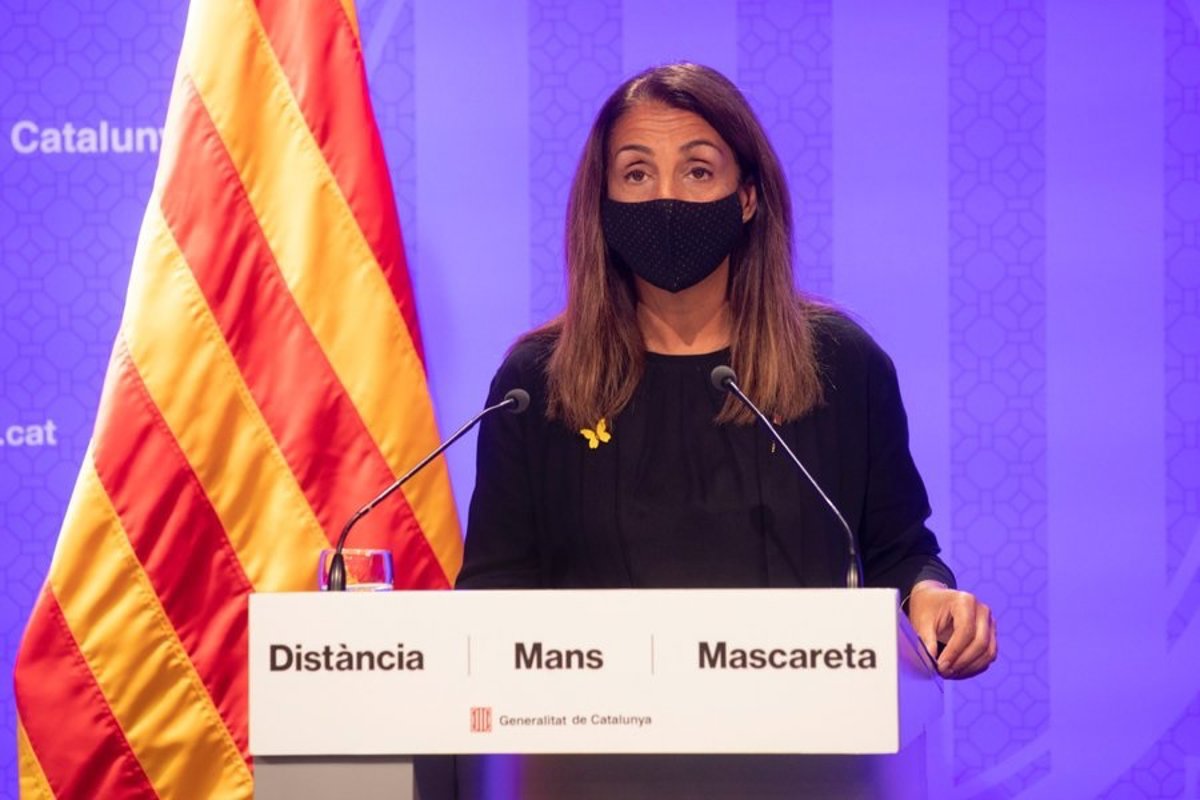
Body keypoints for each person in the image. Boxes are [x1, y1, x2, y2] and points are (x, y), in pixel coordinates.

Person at [456, 62, 996, 681]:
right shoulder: (536, 385)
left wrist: (931, 599)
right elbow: (494, 592)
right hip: (594, 731)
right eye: (636, 173)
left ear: (746, 198)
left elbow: (897, 553)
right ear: (602, 205)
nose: (666, 197)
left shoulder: (841, 364)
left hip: (803, 726)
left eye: (698, 170)